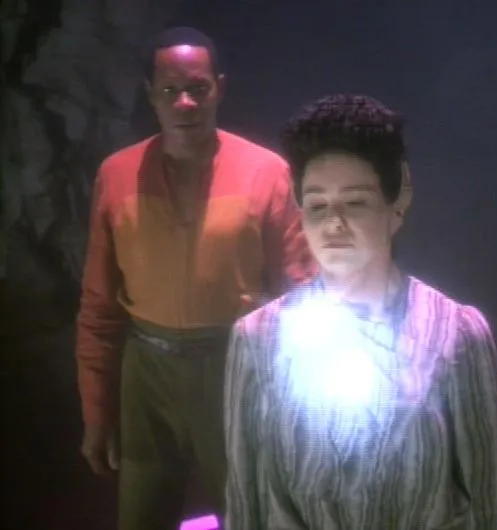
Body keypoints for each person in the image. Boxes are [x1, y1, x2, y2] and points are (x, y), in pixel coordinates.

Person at [223, 94, 497, 529]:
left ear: (395, 205)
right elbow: (244, 501)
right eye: (317, 205)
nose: (334, 223)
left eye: (355, 203)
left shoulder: (456, 333)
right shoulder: (259, 337)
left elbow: (491, 502)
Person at [75, 26, 315, 530]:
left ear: (219, 88)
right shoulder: (117, 175)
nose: (184, 102)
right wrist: (97, 412)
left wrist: (300, 413)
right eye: (170, 90)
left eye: (197, 88)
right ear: (151, 94)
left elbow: (303, 297)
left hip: (236, 369)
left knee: (249, 515)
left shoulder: (266, 172)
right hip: (147, 377)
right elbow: (99, 307)